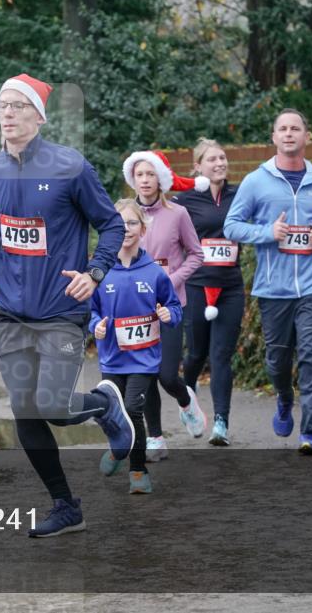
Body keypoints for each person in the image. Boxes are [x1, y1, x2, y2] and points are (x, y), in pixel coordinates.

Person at [0, 73, 132, 538]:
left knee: (52, 405)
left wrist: (94, 275)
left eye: (17, 106)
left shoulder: (70, 167)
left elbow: (112, 226)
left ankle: (104, 405)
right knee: (26, 413)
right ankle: (65, 506)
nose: (7, 114)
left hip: (61, 310)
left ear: (38, 115)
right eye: (1, 106)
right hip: (11, 312)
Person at [223, 108, 312, 455]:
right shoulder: (255, 181)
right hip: (273, 289)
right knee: (277, 361)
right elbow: (232, 225)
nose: (289, 134)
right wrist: (267, 232)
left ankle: (309, 430)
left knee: (311, 355)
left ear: (307, 136)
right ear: (274, 137)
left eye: (296, 128)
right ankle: (283, 395)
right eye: (283, 129)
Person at [90, 199, 182, 494]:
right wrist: (96, 326)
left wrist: (169, 315)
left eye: (131, 223)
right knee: (109, 411)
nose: (125, 229)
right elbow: (89, 311)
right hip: (111, 359)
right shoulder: (99, 271)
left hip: (143, 359)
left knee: (132, 410)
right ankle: (119, 449)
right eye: (119, 224)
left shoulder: (154, 272)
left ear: (143, 229)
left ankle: (138, 470)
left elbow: (173, 306)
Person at [123, 149, 207, 460]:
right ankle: (156, 437)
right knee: (144, 375)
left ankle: (186, 401)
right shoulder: (126, 215)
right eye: (139, 174)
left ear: (161, 179)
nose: (145, 180)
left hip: (170, 305)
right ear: (133, 179)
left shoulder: (178, 214)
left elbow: (196, 255)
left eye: (150, 174)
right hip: (134, 310)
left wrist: (172, 280)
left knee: (167, 375)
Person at [173, 138, 245, 446]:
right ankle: (187, 400)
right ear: (198, 167)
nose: (220, 163)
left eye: (223, 158)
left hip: (230, 286)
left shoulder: (239, 194)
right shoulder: (185, 199)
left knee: (221, 356)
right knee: (196, 354)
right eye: (212, 159)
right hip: (197, 285)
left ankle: (221, 423)